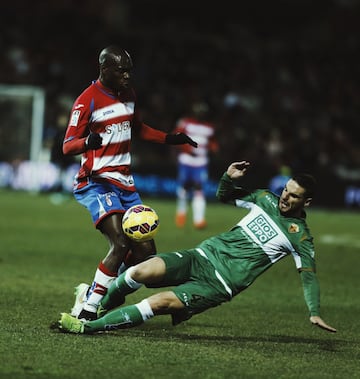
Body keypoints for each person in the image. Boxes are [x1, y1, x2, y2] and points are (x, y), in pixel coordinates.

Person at [58, 160, 337, 334]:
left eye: (294, 195)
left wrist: (314, 310)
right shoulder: (265, 198)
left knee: (156, 303)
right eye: (286, 190)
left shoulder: (300, 237)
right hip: (200, 256)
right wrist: (229, 177)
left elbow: (309, 276)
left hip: (219, 284)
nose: (285, 197)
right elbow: (224, 195)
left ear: (307, 202)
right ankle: (97, 309)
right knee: (138, 271)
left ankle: (87, 327)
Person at [62, 46, 197, 321]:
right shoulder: (86, 100)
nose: (127, 75)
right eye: (121, 70)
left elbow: (139, 129)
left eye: (129, 70)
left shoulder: (129, 95)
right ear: (105, 69)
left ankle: (95, 294)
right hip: (96, 182)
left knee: (145, 253)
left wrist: (171, 139)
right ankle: (87, 311)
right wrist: (87, 142)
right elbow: (67, 146)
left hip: (125, 183)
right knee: (121, 243)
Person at [173, 101, 219, 229]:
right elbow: (176, 136)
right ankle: (181, 213)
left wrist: (214, 147)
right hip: (186, 160)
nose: (200, 114)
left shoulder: (209, 127)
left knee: (199, 188)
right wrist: (183, 147)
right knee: (184, 188)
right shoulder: (186, 123)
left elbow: (212, 141)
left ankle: (199, 220)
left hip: (201, 161)